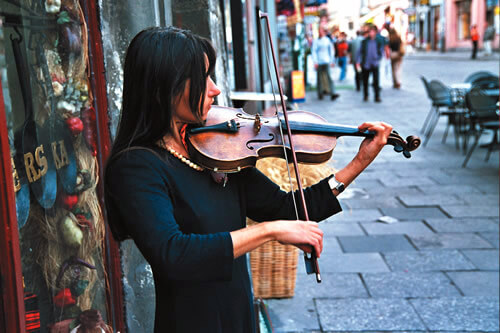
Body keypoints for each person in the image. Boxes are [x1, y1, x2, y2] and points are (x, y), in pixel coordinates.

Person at [104, 26, 392, 333]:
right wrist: (268, 232)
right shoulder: (136, 166)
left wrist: (359, 162)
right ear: (165, 86)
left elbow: (285, 208)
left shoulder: (215, 150)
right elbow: (173, 255)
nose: (215, 89)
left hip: (239, 315)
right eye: (203, 78)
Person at [356, 24, 385, 102]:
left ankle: (377, 96)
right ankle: (366, 95)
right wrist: (358, 61)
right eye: (370, 32)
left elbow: (381, 51)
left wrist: (378, 58)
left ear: (375, 32)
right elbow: (359, 52)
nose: (371, 33)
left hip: (375, 63)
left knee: (376, 81)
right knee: (365, 81)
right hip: (366, 64)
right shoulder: (364, 41)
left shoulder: (378, 41)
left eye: (373, 32)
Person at [312, 26, 339, 100]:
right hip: (319, 62)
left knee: (329, 77)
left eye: (321, 31)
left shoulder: (327, 40)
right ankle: (320, 93)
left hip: (326, 61)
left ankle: (332, 92)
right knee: (319, 78)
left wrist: (332, 60)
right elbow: (314, 51)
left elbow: (331, 51)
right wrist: (315, 61)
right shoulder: (316, 41)